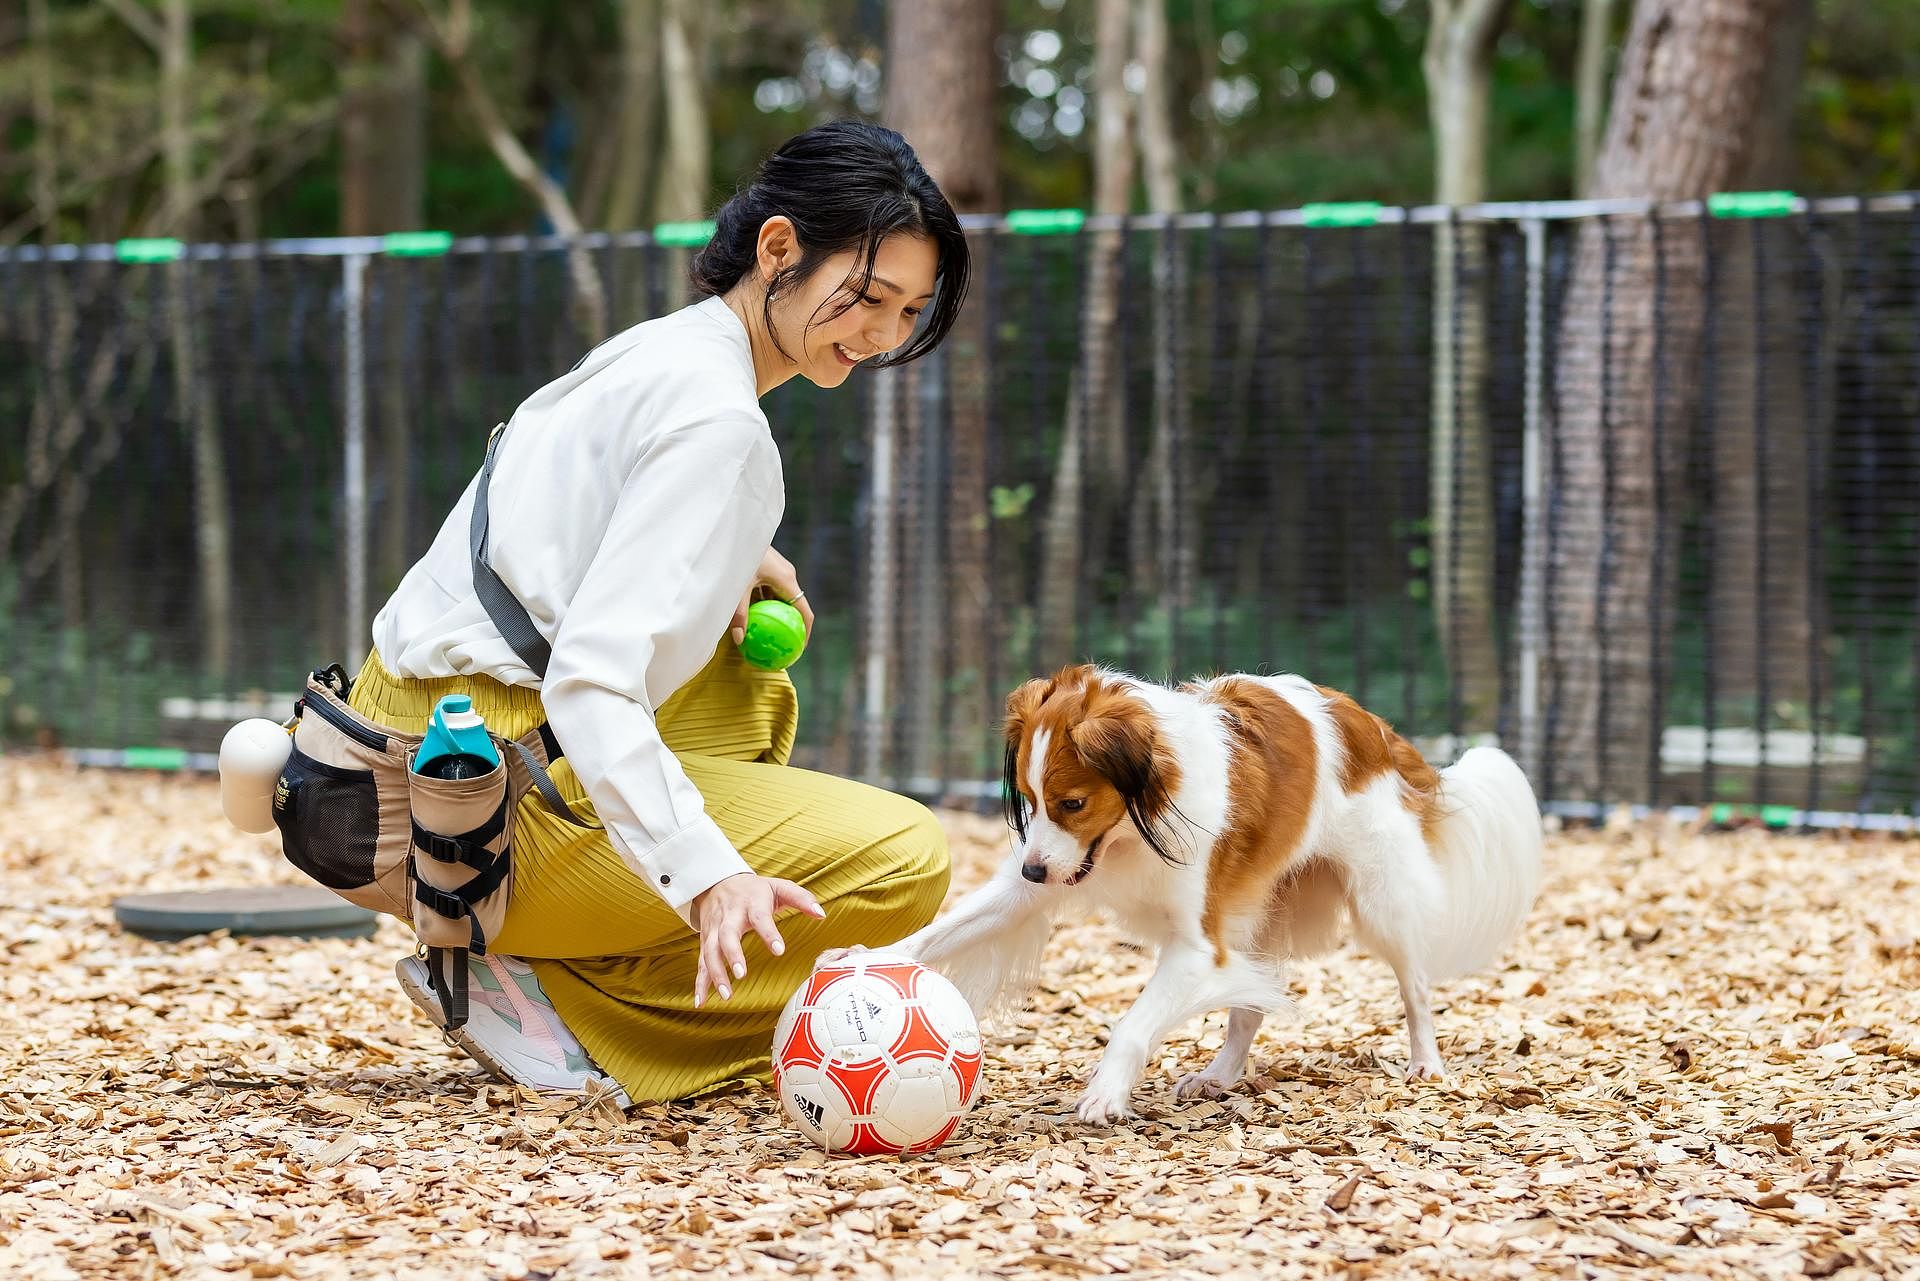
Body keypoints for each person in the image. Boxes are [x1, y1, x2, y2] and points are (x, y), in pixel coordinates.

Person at [354, 120, 970, 1104]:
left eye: (906, 311)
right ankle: (570, 1007)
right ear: (778, 250)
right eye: (865, 296)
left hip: (388, 757)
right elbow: (591, 681)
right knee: (909, 860)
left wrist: (737, 553)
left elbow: (549, 506)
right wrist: (706, 874)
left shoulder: (663, 353)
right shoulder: (721, 425)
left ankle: (569, 947)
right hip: (478, 818)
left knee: (749, 687)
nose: (883, 336)